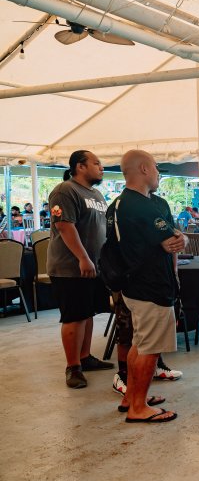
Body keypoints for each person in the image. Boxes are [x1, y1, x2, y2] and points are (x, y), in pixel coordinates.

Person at [112, 149, 184, 422]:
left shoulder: (118, 204)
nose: (157, 173)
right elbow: (173, 239)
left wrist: (174, 239)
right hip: (151, 285)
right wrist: (177, 239)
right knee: (150, 348)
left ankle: (131, 397)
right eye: (155, 167)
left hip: (132, 284)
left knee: (139, 344)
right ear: (143, 169)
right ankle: (139, 408)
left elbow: (171, 239)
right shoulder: (142, 206)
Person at [47, 150, 114, 389]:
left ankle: (85, 357)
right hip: (70, 268)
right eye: (96, 163)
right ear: (80, 167)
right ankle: (73, 367)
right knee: (74, 316)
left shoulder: (96, 194)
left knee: (88, 313)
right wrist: (83, 258)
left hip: (93, 267)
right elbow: (65, 226)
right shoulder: (65, 191)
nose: (101, 167)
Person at [110, 292, 183, 397]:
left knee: (152, 332)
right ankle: (123, 375)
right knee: (127, 329)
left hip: (158, 290)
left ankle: (156, 366)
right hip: (137, 289)